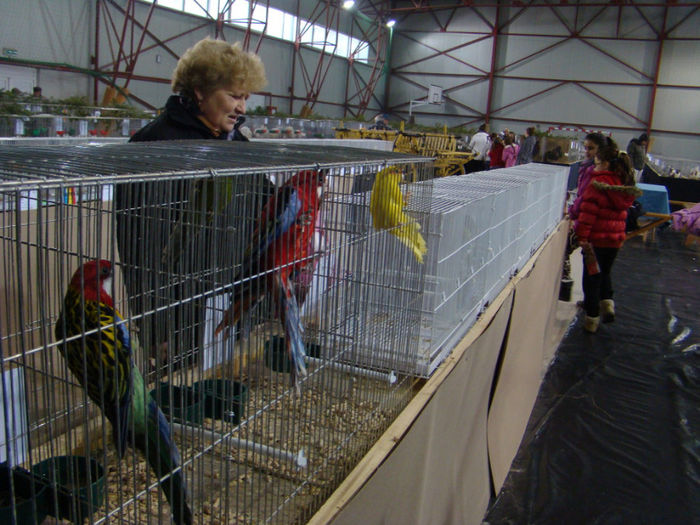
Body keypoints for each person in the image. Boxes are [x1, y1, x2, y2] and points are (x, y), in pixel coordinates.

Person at [117, 38, 269, 363]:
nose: (242, 108)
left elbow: (266, 203)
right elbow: (140, 249)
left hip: (226, 299)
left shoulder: (236, 144)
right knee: (181, 387)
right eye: (233, 96)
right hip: (178, 307)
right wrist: (156, 328)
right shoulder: (154, 145)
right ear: (200, 91)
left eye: (245, 97)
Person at [575, 139, 641, 333]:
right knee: (605, 272)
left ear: (603, 163)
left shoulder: (597, 185)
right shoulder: (623, 185)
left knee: (591, 278)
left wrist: (581, 237)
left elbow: (587, 214)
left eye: (596, 162)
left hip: (595, 241)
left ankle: (591, 317)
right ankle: (608, 304)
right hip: (614, 240)